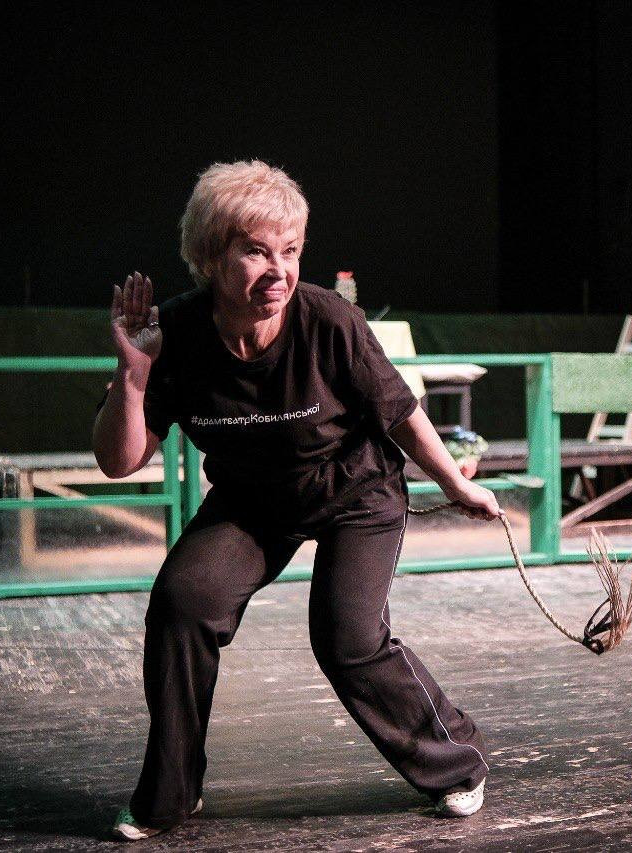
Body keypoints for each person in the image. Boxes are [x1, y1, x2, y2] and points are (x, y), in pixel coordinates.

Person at [92, 160, 499, 841]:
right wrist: (132, 377)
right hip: (254, 499)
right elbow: (119, 460)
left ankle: (455, 762)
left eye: (290, 251)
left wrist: (457, 485)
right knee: (183, 603)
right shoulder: (176, 333)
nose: (277, 271)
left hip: (356, 491)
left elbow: (400, 412)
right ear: (211, 256)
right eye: (255, 251)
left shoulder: (328, 319)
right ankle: (171, 792)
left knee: (346, 637)